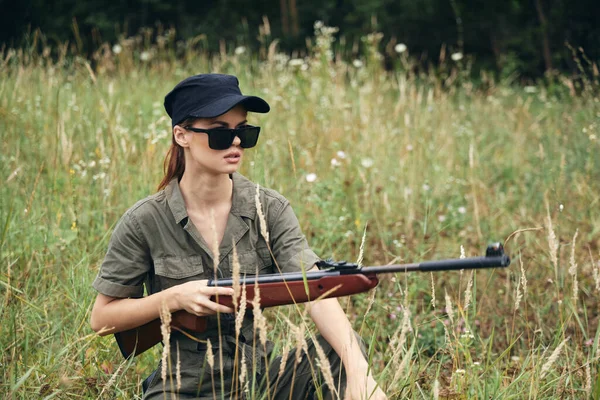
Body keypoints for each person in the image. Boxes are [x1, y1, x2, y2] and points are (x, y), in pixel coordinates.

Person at [90, 73, 387, 400]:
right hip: (184, 387)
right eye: (220, 133)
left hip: (258, 381)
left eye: (244, 131)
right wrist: (172, 299)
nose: (235, 142)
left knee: (342, 352)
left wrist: (360, 373)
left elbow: (313, 286)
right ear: (182, 135)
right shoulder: (145, 219)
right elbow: (103, 318)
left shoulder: (269, 209)